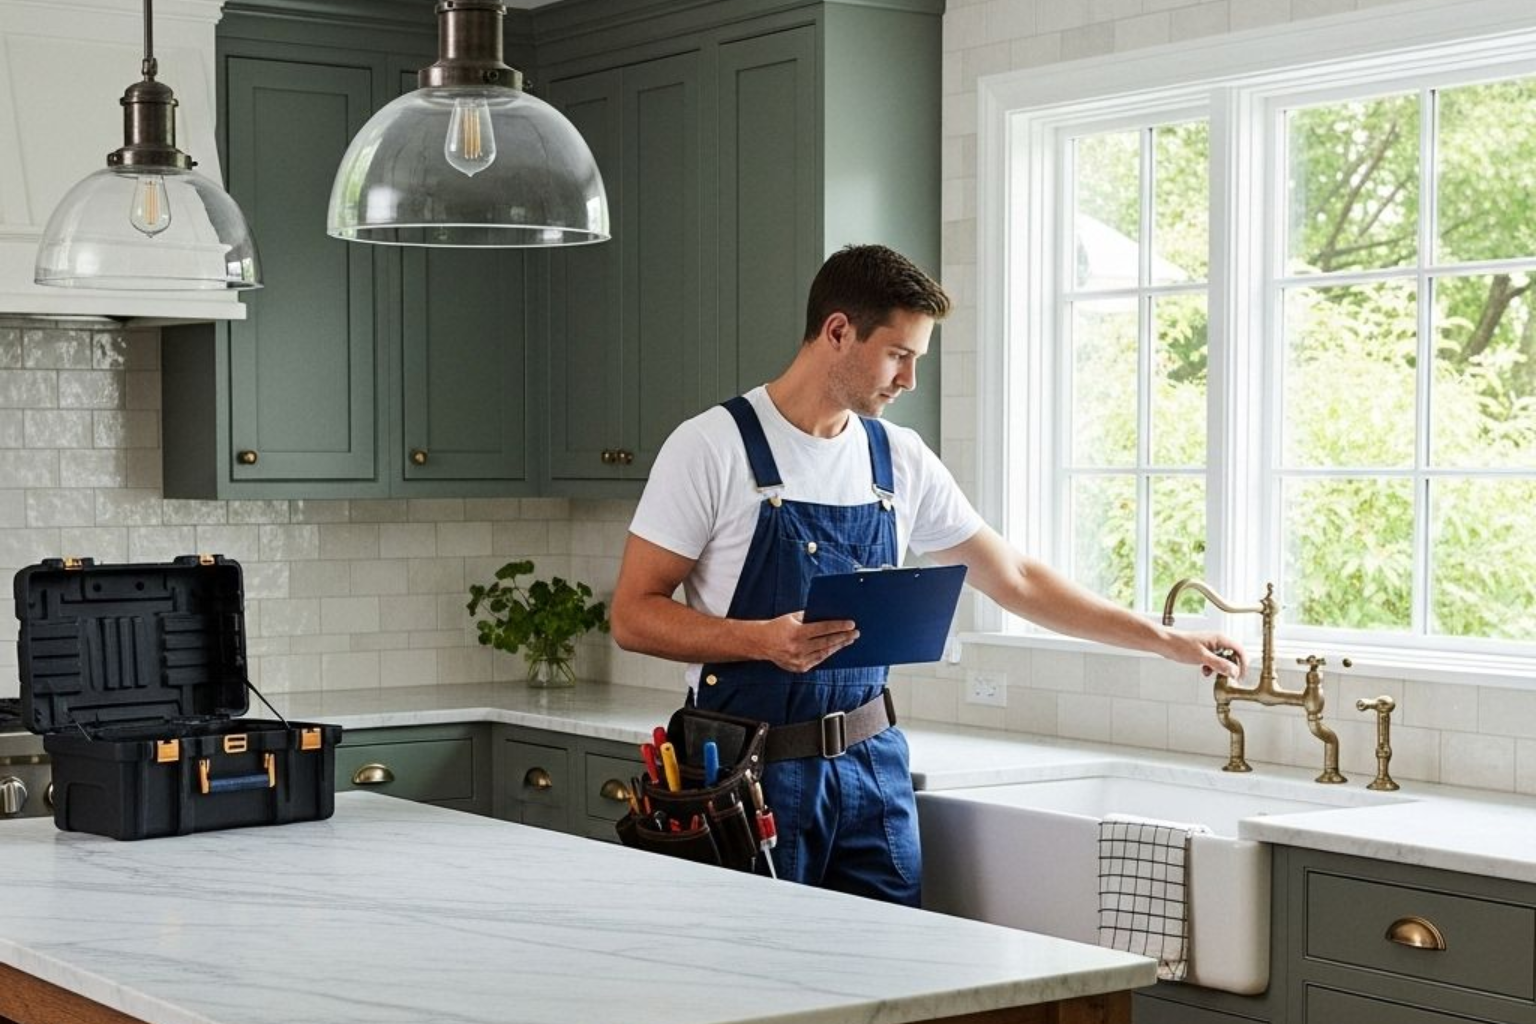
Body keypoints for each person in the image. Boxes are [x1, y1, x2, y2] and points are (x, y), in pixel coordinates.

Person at [611, 244, 1246, 907]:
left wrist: (1167, 639)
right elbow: (633, 614)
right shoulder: (713, 447)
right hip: (750, 776)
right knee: (766, 990)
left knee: (896, 987)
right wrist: (761, 641)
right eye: (898, 354)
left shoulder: (899, 458)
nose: (910, 379)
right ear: (837, 332)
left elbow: (1016, 579)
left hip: (872, 769)